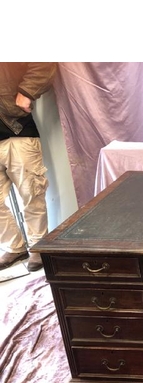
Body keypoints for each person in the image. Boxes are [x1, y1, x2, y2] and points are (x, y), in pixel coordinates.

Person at [0, 62, 57, 272]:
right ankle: (14, 247)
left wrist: (26, 92)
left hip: (17, 131)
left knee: (32, 194)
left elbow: (44, 63)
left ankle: (37, 247)